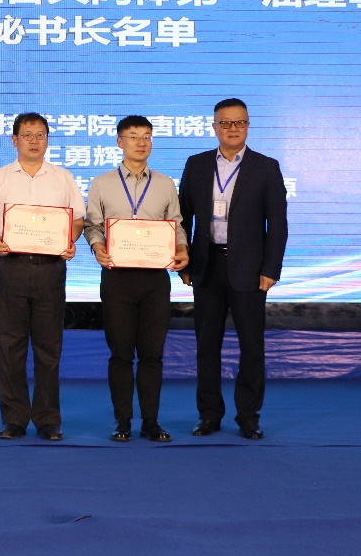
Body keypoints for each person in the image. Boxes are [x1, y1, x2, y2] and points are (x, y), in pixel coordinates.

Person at [178, 98, 288, 440]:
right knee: (206, 346)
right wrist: (184, 261)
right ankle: (208, 415)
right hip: (206, 266)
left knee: (251, 346)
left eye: (239, 122)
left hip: (250, 270)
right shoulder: (196, 164)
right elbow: (182, 218)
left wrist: (271, 269)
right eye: (225, 123)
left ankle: (248, 416)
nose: (232, 129)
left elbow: (278, 224)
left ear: (248, 126)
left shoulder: (266, 167)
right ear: (214, 127)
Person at [0, 112, 85, 441]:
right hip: (12, 267)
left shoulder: (63, 178)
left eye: (40, 135)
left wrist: (70, 240)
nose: (34, 141)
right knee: (10, 345)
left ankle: (48, 419)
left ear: (48, 139)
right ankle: (14, 419)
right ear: (15, 140)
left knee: (49, 347)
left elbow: (78, 220)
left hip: (51, 268)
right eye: (27, 135)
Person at [84, 116, 189, 442]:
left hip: (155, 279)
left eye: (146, 137)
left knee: (152, 354)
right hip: (117, 278)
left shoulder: (165, 184)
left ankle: (151, 422)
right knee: (120, 354)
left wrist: (182, 249)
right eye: (133, 136)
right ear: (120, 142)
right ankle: (123, 421)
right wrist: (97, 246)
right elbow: (92, 225)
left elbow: (176, 224)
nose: (141, 143)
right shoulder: (102, 183)